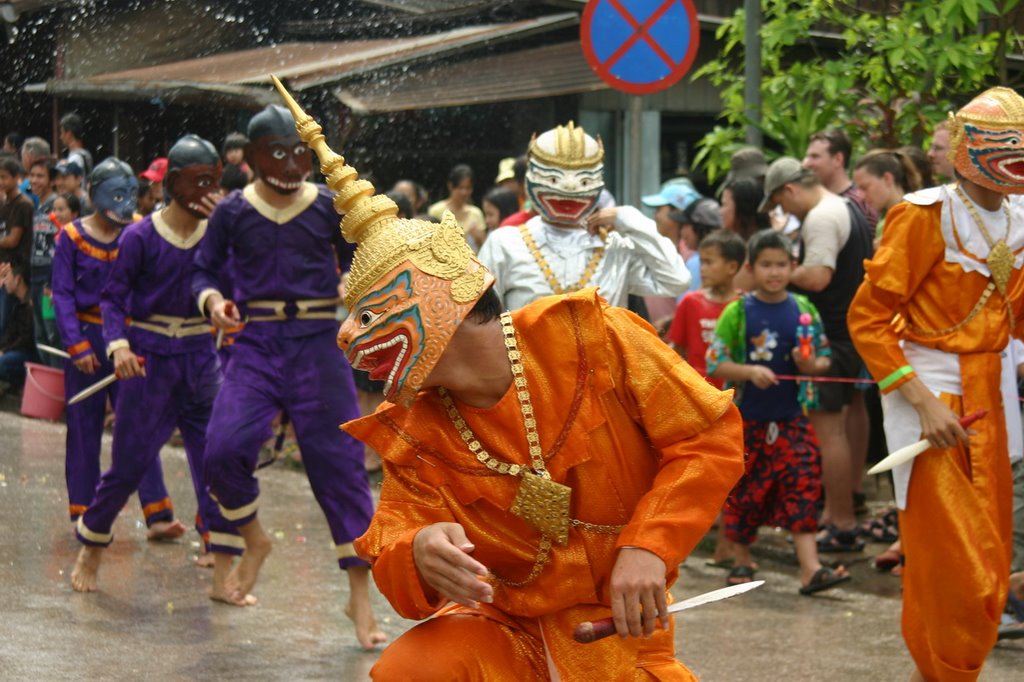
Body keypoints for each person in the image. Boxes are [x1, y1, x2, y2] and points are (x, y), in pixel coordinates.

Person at [267, 81, 744, 679]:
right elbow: (393, 541)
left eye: (369, 315)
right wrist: (416, 554)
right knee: (411, 670)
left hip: (619, 630)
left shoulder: (598, 335)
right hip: (504, 625)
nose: (348, 337)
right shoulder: (414, 429)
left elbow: (710, 437)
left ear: (442, 301)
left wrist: (649, 543)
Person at [849, 87, 1024, 681]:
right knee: (954, 563)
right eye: (1008, 145)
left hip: (993, 402)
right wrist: (921, 404)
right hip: (933, 401)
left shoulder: (1021, 219)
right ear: (974, 147)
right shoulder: (926, 215)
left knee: (994, 562)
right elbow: (867, 319)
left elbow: (1015, 318)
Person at [192, 104, 383, 645]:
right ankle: (253, 538)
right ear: (251, 158)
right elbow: (204, 269)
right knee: (223, 449)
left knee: (340, 465)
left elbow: (365, 256)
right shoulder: (231, 212)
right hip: (255, 344)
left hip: (319, 347)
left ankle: (359, 600)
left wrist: (356, 285)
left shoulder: (328, 206)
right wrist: (212, 302)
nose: (291, 163)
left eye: (300, 152)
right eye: (277, 152)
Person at [706, 229, 848, 594]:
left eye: (781, 265)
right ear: (751, 269)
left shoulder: (804, 310)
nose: (774, 272)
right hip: (747, 420)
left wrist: (808, 363)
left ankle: (810, 567)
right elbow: (716, 362)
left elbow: (822, 359)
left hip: (793, 419)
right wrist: (749, 372)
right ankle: (741, 559)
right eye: (766, 265)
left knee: (803, 482)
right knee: (745, 488)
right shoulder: (737, 313)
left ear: (793, 266)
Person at [52, 158, 179, 533]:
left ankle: (157, 513)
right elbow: (61, 294)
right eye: (115, 194)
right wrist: (75, 344)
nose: (124, 204)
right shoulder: (71, 237)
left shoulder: (140, 231)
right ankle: (85, 513)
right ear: (93, 195)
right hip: (88, 339)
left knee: (138, 424)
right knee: (83, 427)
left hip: (130, 338)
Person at [761, 156, 874, 553]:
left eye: (779, 202)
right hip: (848, 332)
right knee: (840, 425)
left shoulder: (821, 218)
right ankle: (839, 512)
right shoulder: (843, 207)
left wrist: (773, 270)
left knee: (829, 433)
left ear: (789, 190)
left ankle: (841, 520)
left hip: (832, 336)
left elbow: (818, 276)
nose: (783, 211)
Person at [479, 121, 689, 311]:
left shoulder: (615, 247)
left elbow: (675, 280)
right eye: (553, 179)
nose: (569, 188)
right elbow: (479, 318)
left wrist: (627, 218)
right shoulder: (505, 243)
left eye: (584, 180)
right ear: (530, 179)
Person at [666, 229, 745, 389]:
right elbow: (676, 351)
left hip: (735, 396)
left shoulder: (744, 306)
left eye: (709, 262)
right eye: (702, 262)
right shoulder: (690, 302)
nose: (702, 269)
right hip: (697, 393)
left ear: (731, 267)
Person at [803, 128, 879, 230]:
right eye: (807, 157)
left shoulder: (860, 203)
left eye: (815, 156)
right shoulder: (810, 201)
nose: (806, 163)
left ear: (838, 159)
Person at [26, 158, 62, 367]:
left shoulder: (57, 206)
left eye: (40, 176)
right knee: (40, 334)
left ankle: (58, 390)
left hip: (50, 281)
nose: (34, 180)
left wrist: (53, 282)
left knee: (52, 336)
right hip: (36, 278)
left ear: (52, 180)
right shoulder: (37, 206)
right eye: (32, 175)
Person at [852, 149, 924, 246]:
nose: (861, 196)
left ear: (887, 178)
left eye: (865, 187)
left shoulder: (916, 214)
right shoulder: (883, 223)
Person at [0, 156, 34, 337]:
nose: (1, 182)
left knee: (5, 320)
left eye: (4, 177)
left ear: (16, 178)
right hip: (3, 267)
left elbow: (13, 240)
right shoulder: (4, 203)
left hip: (16, 269)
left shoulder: (23, 204)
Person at [428, 164, 486, 250]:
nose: (464, 192)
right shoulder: (435, 210)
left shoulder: (476, 213)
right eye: (460, 188)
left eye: (468, 188)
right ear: (450, 186)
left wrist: (478, 238)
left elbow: (484, 245)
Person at [0, 259, 36, 397]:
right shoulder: (17, 305)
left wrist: (5, 350)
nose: (4, 283)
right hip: (14, 352)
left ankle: (21, 385)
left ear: (18, 279)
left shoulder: (31, 304)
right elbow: (10, 334)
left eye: (6, 277)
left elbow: (26, 340)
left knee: (2, 363)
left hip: (27, 355)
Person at [59, 112, 93, 182]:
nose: (61, 137)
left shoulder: (75, 159)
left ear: (69, 134)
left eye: (62, 133)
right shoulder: (86, 154)